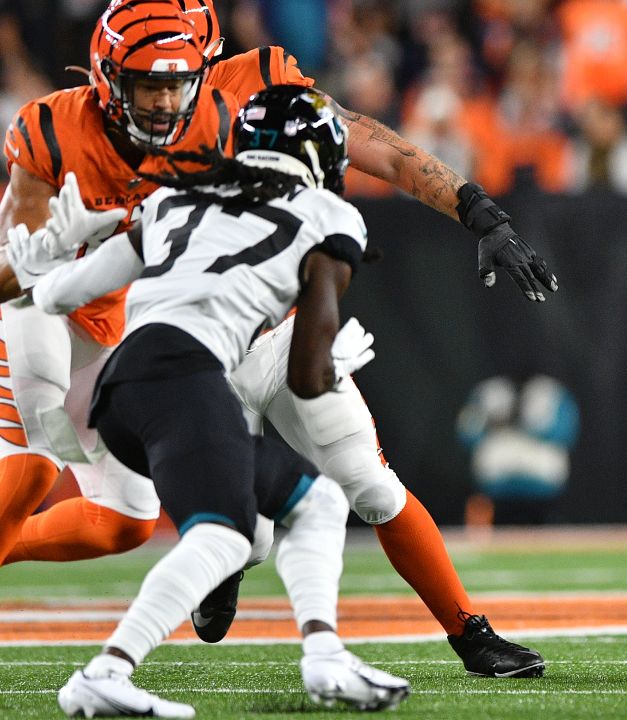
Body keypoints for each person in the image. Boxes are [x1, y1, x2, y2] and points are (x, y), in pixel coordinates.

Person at [0, 0, 551, 678]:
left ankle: (467, 632)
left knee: (364, 487)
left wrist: (476, 209)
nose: (165, 102)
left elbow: (372, 142)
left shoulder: (265, 117)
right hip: (178, 344)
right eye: (148, 84)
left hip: (264, 335)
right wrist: (48, 259)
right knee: (143, 502)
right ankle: (197, 616)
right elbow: (49, 285)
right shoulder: (77, 144)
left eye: (178, 84)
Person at [9, 85, 410, 717]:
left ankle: (322, 657)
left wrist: (54, 251)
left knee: (292, 511)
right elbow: (305, 379)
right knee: (254, 526)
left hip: (123, 389)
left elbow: (57, 296)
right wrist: (333, 368)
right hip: (184, 378)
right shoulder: (332, 217)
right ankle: (107, 673)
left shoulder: (174, 197)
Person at [456, 371, 579, 530]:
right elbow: (468, 433)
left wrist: (532, 425)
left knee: (546, 531)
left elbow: (565, 433)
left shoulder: (551, 393)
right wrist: (494, 423)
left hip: (541, 477)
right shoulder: (487, 393)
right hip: (497, 476)